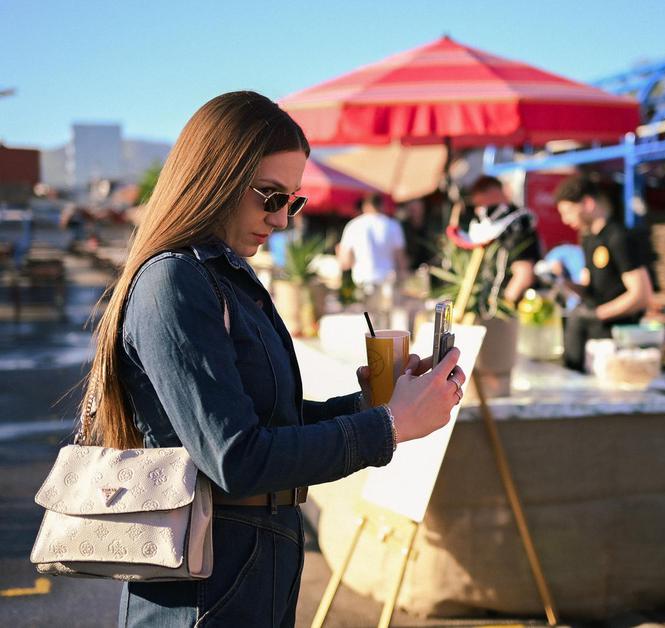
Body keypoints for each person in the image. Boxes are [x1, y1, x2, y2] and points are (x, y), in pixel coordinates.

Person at [78, 91, 466, 627]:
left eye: (292, 201)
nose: (282, 220)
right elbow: (238, 459)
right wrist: (390, 424)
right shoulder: (176, 281)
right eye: (270, 196)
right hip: (203, 584)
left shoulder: (223, 276)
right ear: (216, 178)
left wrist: (374, 403)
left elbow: (269, 424)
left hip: (250, 565)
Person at [553, 175, 654, 371]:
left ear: (588, 203)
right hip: (591, 341)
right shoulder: (589, 239)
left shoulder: (619, 237)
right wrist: (563, 281)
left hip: (616, 342)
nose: (566, 220)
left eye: (568, 212)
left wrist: (598, 314)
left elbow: (641, 295)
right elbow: (592, 289)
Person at [468, 175, 540, 304]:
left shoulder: (517, 225)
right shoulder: (483, 226)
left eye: (481, 203)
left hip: (511, 309)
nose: (479, 209)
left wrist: (503, 306)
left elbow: (524, 273)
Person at [336, 192, 409, 288]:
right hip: (387, 282)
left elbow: (345, 262)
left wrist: (338, 253)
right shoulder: (393, 225)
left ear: (365, 206)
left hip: (362, 280)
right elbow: (401, 259)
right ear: (382, 206)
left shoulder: (353, 225)